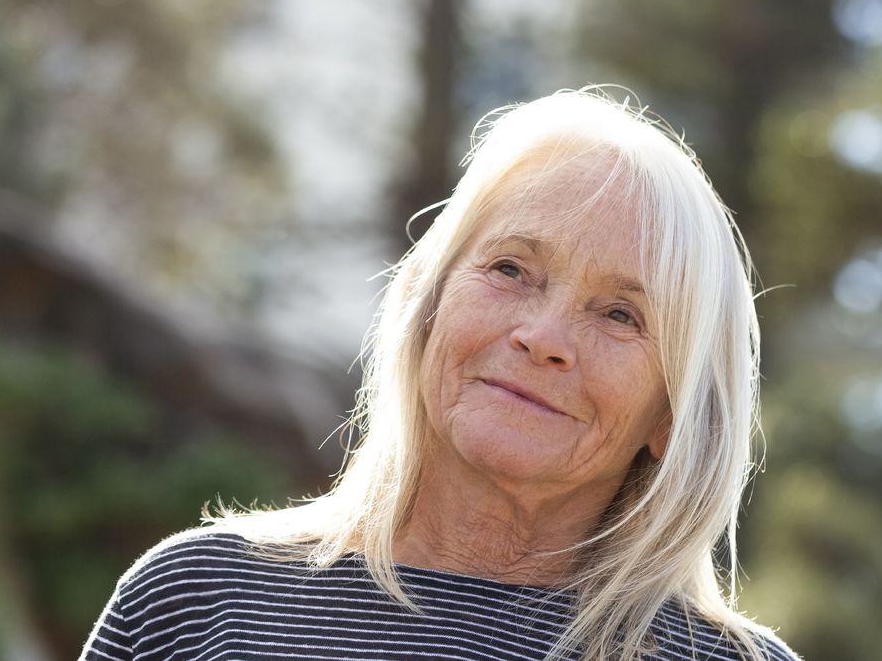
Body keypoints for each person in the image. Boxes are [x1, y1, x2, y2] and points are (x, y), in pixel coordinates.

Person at [80, 87, 800, 661]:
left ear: (671, 414)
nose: (543, 338)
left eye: (620, 315)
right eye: (511, 269)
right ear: (426, 303)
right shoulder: (196, 600)